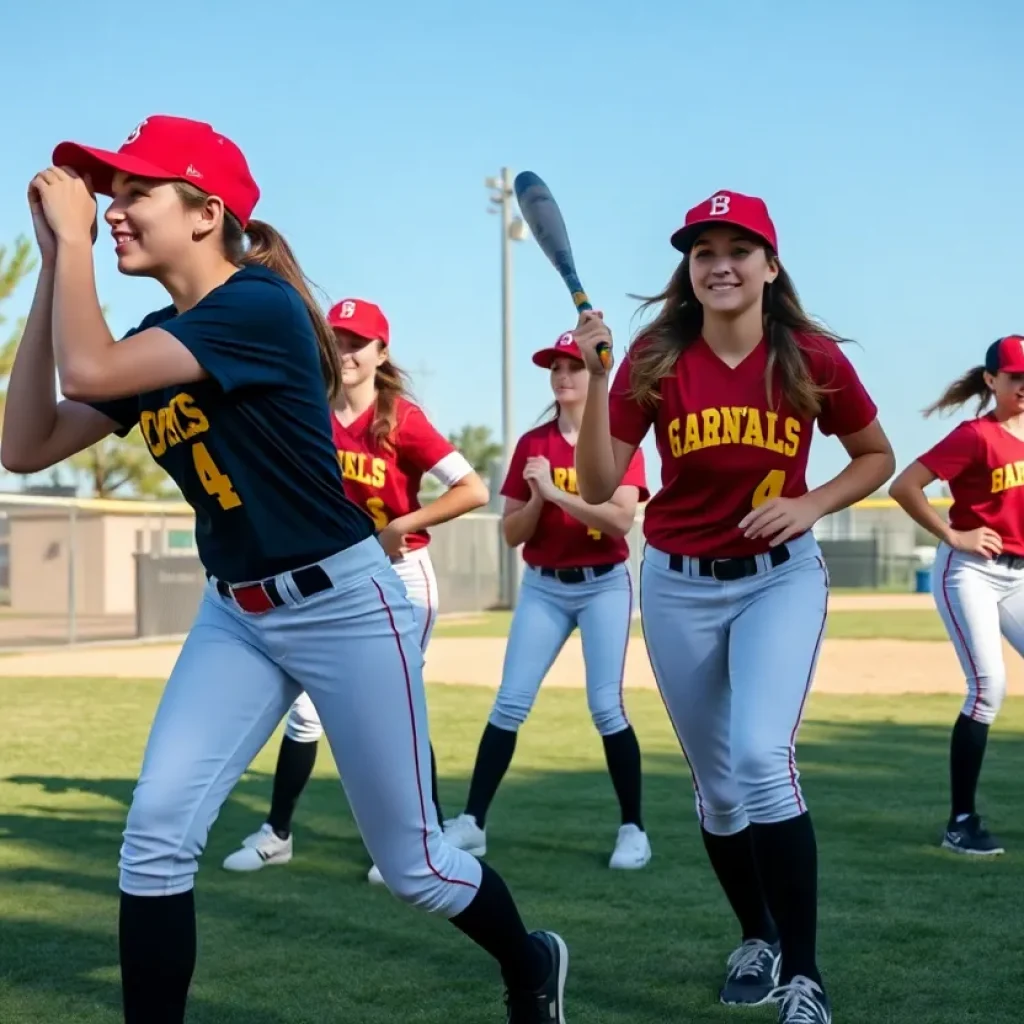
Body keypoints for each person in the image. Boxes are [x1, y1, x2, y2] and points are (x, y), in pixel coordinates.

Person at [3, 114, 568, 1024]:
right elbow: (26, 445)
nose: (110, 208)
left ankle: (530, 959)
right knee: (153, 838)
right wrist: (47, 272)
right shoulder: (156, 337)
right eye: (109, 194)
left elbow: (91, 365)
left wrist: (68, 249)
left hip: (344, 603)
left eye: (134, 190)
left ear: (205, 213)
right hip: (237, 613)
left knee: (416, 867)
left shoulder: (257, 307)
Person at [571, 190, 895, 1024]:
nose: (719, 264)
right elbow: (602, 486)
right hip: (678, 583)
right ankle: (757, 936)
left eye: (738, 249)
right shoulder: (656, 354)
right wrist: (600, 371)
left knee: (760, 758)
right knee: (717, 788)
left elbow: (875, 456)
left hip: (778, 577)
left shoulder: (808, 355)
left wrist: (813, 503)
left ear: (770, 266)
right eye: (702, 251)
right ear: (688, 269)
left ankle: (806, 977)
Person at [222, 296, 488, 884]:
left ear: (380, 353)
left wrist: (406, 524)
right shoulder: (310, 407)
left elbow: (473, 490)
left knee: (391, 707)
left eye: (356, 341)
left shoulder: (401, 418)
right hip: (333, 576)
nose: (344, 351)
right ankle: (278, 834)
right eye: (336, 338)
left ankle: (420, 838)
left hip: (400, 575)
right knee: (304, 714)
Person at [444, 330, 652, 869]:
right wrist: (538, 498)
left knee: (606, 707)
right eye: (555, 368)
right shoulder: (534, 444)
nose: (563, 377)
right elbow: (512, 534)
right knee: (510, 702)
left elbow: (621, 521)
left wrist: (559, 493)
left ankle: (633, 828)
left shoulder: (617, 443)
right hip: (544, 586)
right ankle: (473, 823)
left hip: (604, 582)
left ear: (593, 376)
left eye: (574, 367)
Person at [888, 334, 1024, 858]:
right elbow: (906, 486)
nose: (1023, 386)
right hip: (971, 571)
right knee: (988, 689)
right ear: (991, 381)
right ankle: (960, 822)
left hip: (1019, 574)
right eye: (1014, 378)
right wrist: (953, 534)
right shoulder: (976, 436)